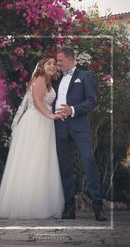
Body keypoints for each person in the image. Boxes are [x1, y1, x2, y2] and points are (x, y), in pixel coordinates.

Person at [0, 57, 65, 219]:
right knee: (33, 159)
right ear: (41, 66)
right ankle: (26, 206)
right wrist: (51, 115)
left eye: (54, 64)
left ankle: (40, 203)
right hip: (36, 122)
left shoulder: (48, 83)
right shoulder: (39, 78)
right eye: (49, 63)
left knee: (42, 161)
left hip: (44, 123)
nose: (52, 66)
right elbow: (37, 102)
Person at [53, 45, 107, 221]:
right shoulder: (56, 78)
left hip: (80, 126)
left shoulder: (85, 76)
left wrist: (73, 110)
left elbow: (91, 101)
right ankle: (69, 209)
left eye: (60, 60)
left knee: (88, 161)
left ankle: (98, 208)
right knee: (65, 167)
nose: (57, 63)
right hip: (60, 126)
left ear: (69, 59)